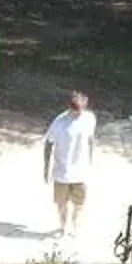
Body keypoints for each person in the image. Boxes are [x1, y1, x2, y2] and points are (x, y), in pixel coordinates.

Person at [43, 91, 97, 238]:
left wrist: (91, 159)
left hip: (81, 172)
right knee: (61, 204)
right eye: (74, 110)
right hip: (62, 172)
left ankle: (76, 227)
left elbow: (90, 139)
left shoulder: (90, 119)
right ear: (69, 108)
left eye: (80, 110)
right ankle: (63, 227)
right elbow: (48, 143)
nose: (77, 114)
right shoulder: (59, 122)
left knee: (79, 203)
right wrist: (46, 168)